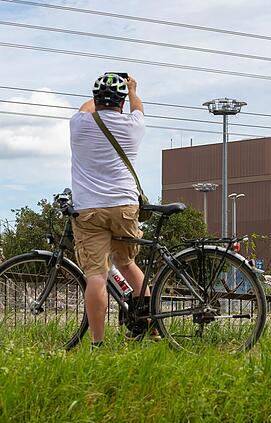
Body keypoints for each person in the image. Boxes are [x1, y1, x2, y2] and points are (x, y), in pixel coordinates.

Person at [69, 73, 154, 347]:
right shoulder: (133, 126)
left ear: (96, 98)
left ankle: (97, 343)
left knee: (95, 274)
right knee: (127, 264)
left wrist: (97, 96)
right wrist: (131, 89)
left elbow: (86, 109)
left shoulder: (79, 124)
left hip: (89, 210)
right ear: (121, 102)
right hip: (124, 207)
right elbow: (138, 107)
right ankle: (150, 328)